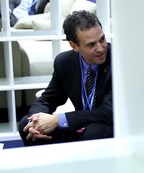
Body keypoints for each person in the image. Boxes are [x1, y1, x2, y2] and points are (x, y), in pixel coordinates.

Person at [18, 10, 113, 146]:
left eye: (102, 39)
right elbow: (48, 98)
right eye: (91, 44)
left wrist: (58, 119)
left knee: (94, 132)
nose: (101, 48)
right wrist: (36, 119)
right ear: (74, 45)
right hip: (80, 124)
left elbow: (108, 112)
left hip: (107, 125)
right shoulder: (65, 62)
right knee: (25, 125)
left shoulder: (117, 61)